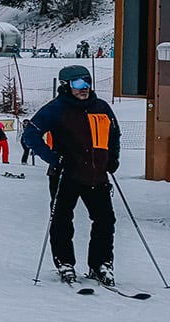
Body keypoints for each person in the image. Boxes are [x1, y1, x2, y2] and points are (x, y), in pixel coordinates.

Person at [23, 65, 121, 285]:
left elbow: (114, 134)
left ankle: (101, 264)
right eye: (78, 84)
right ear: (66, 86)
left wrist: (112, 159)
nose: (84, 88)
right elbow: (31, 134)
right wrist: (52, 157)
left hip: (97, 176)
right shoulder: (56, 109)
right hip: (66, 175)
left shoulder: (102, 107)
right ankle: (64, 262)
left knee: (105, 221)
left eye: (87, 82)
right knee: (62, 221)